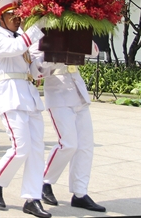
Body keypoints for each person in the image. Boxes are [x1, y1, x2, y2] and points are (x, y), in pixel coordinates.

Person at [0, 0, 50, 218]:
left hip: (29, 96)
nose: (17, 19)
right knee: (20, 148)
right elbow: (15, 48)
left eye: (20, 15)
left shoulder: (22, 37)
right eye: (12, 15)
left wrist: (48, 60)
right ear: (1, 18)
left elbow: (33, 68)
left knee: (36, 150)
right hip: (11, 95)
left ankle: (33, 198)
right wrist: (39, 23)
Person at [33, 44, 106, 213]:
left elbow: (94, 52)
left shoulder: (75, 34)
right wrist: (55, 53)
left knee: (85, 146)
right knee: (68, 144)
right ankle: (43, 181)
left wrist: (82, 36)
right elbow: (37, 70)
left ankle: (80, 193)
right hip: (58, 94)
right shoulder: (44, 37)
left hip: (78, 92)